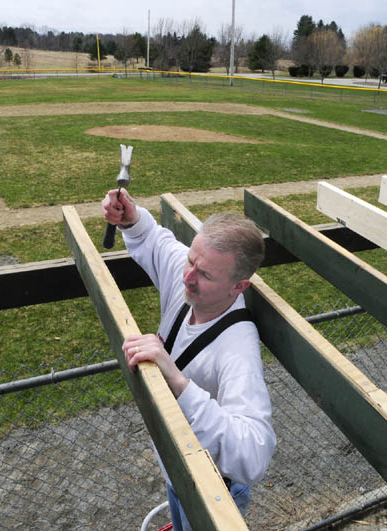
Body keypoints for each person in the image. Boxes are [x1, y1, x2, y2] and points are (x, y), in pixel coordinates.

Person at [102, 188, 276, 530]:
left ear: (238, 287)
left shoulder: (238, 349)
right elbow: (154, 240)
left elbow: (254, 453)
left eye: (205, 275)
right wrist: (131, 218)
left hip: (214, 490)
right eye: (190, 260)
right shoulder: (193, 273)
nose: (187, 276)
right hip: (179, 466)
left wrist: (180, 384)